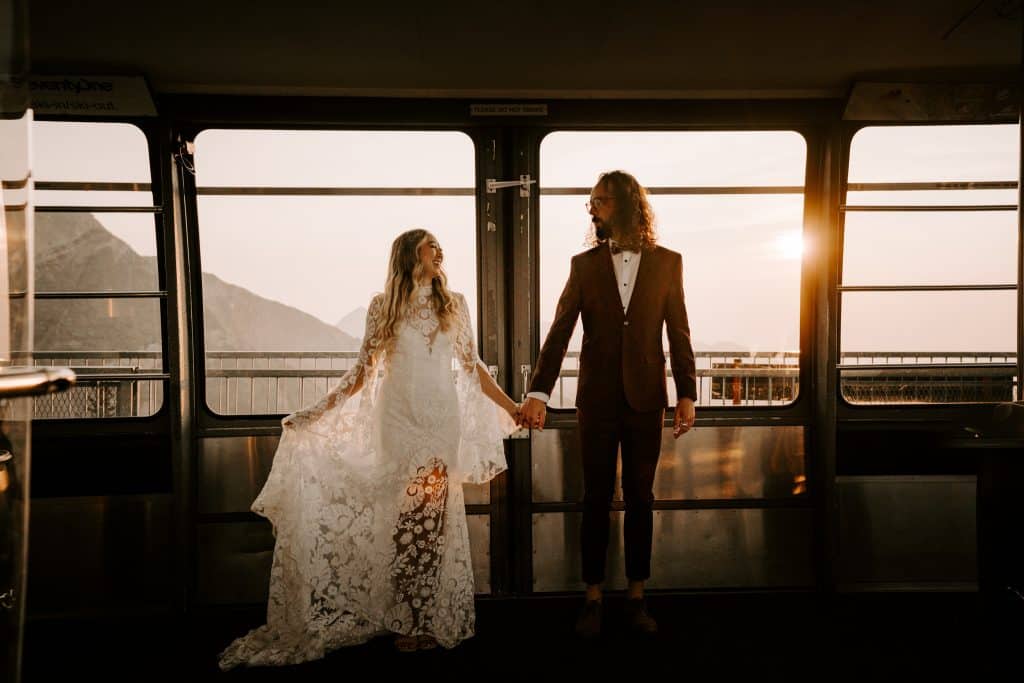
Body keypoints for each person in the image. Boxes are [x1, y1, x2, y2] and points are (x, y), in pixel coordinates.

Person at [219, 229, 519, 668]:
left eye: (439, 246)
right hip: (397, 423)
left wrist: (512, 406)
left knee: (430, 524)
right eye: (429, 245)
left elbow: (472, 367)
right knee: (403, 524)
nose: (439, 251)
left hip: (438, 422)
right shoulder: (384, 307)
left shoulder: (454, 303)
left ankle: (423, 618)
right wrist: (314, 413)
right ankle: (404, 617)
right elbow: (361, 373)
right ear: (409, 255)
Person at [518, 170, 697, 638]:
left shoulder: (668, 263)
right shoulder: (584, 265)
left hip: (646, 401)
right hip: (595, 400)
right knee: (594, 498)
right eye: (590, 203)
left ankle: (638, 596)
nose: (591, 209)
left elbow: (679, 332)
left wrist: (686, 394)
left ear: (623, 204)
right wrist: (538, 392)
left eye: (598, 201)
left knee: (642, 499)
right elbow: (559, 332)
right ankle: (592, 597)